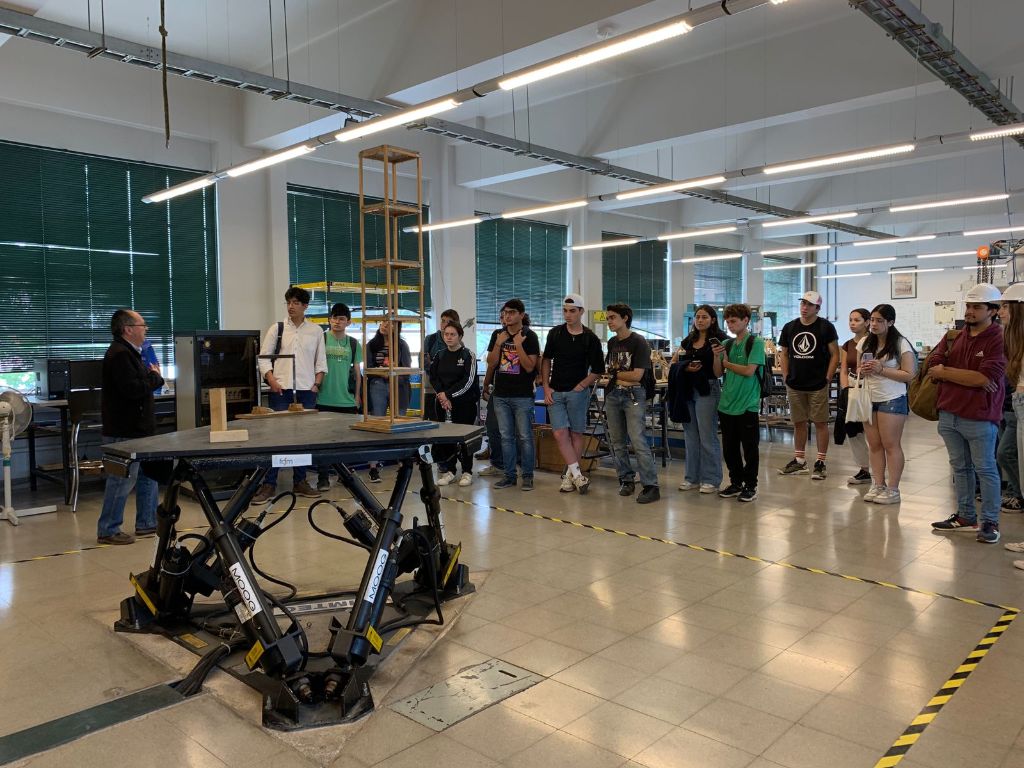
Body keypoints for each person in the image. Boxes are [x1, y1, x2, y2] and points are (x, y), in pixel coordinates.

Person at [930, 283, 1007, 543]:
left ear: (992, 310)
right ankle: (965, 516)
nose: (970, 311)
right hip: (948, 413)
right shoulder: (955, 335)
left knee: (985, 469)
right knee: (960, 468)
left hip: (980, 416)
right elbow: (933, 363)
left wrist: (946, 373)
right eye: (968, 306)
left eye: (977, 307)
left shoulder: (998, 339)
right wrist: (964, 376)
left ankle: (990, 522)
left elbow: (984, 378)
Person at [253, 287, 328, 504]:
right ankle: (269, 483)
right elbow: (263, 358)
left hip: (306, 391)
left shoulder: (315, 331)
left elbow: (321, 361)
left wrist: (316, 384)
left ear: (305, 306)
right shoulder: (276, 329)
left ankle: (300, 481)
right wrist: (272, 380)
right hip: (281, 390)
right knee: (276, 438)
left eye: (295, 303)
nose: (291, 307)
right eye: (288, 302)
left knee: (303, 439)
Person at [97, 309, 164, 544]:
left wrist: (151, 377)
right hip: (124, 431)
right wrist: (155, 377)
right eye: (142, 326)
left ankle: (147, 522)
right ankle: (108, 529)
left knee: (148, 476)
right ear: (128, 329)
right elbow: (134, 389)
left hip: (140, 429)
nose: (145, 330)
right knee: (121, 480)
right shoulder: (119, 355)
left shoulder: (132, 353)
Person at [541, 294, 605, 494]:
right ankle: (578, 475)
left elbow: (598, 369)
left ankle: (570, 477)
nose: (568, 315)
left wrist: (582, 385)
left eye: (572, 311)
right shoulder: (555, 334)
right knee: (560, 433)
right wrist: (546, 386)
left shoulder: (590, 338)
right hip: (556, 392)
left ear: (581, 312)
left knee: (576, 433)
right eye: (565, 311)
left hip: (577, 393)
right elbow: (546, 359)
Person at [857, 304, 916, 504]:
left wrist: (881, 369)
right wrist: (864, 369)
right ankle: (878, 484)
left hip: (892, 398)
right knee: (874, 445)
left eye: (879, 320)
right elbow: (858, 369)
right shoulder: (865, 342)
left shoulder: (901, 343)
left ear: (890, 322)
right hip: (868, 398)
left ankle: (893, 489)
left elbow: (909, 374)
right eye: (872, 320)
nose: (874, 324)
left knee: (891, 444)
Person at [778, 290, 839, 480]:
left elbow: (835, 354)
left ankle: (820, 462)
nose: (804, 307)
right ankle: (799, 460)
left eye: (809, 305)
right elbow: (784, 353)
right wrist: (786, 375)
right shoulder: (790, 327)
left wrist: (827, 378)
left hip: (818, 384)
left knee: (820, 423)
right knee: (799, 422)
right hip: (795, 383)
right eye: (803, 303)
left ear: (817, 308)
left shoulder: (825, 327)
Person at [604, 303, 660, 504]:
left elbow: (637, 376)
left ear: (625, 318)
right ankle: (626, 479)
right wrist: (618, 376)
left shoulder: (638, 342)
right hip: (613, 395)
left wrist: (616, 375)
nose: (609, 321)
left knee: (638, 440)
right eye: (608, 318)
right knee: (617, 441)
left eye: (612, 317)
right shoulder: (612, 342)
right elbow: (610, 371)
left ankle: (651, 485)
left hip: (633, 395)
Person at [671, 304, 727, 494]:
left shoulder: (719, 340)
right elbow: (674, 362)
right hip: (688, 389)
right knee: (690, 436)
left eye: (704, 317)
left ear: (713, 320)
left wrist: (715, 359)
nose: (700, 320)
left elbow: (719, 372)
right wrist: (685, 367)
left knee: (707, 436)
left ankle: (711, 479)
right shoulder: (689, 340)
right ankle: (692, 478)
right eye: (697, 317)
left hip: (707, 389)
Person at [713, 304, 765, 503]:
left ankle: (750, 485)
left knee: (750, 448)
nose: (730, 325)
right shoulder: (726, 343)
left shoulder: (755, 342)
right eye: (727, 321)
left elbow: (749, 371)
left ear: (746, 320)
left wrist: (727, 364)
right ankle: (735, 482)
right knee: (729, 448)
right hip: (727, 403)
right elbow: (718, 372)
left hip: (747, 404)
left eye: (733, 321)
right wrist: (716, 356)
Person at [486, 299, 540, 491]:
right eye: (505, 312)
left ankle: (527, 476)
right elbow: (491, 363)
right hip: (501, 394)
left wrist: (518, 346)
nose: (507, 316)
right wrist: (498, 344)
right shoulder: (497, 334)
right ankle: (509, 476)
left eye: (512, 312)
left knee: (524, 436)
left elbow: (529, 366)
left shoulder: (529, 336)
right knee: (505, 437)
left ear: (521, 315)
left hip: (522, 395)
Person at [315, 303, 363, 491]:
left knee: (346, 441)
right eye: (334, 318)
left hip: (346, 400)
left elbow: (357, 373)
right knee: (323, 441)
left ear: (348, 322)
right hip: (323, 399)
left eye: (341, 318)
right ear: (329, 320)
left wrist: (357, 396)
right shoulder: (321, 338)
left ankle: (346, 476)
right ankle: (323, 478)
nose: (337, 321)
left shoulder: (353, 343)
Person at [428, 320, 479, 487]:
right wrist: (442, 396)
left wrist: (449, 395)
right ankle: (449, 471)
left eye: (453, 334)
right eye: (446, 334)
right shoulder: (439, 355)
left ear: (460, 336)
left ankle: (467, 472)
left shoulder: (468, 355)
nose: (449, 337)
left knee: (464, 438)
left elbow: (468, 381)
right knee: (447, 438)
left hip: (464, 403)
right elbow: (433, 377)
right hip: (443, 403)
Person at [365, 318, 412, 482]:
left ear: (397, 326)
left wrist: (393, 371)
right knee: (376, 425)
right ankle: (373, 467)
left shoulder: (402, 345)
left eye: (389, 322)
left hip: (398, 386)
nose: (385, 325)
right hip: (377, 385)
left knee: (399, 425)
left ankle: (402, 465)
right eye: (383, 322)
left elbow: (407, 369)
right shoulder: (371, 345)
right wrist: (381, 371)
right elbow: (367, 368)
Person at [996, 286, 1024, 516]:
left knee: (1006, 453)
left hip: (1018, 403)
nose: (1000, 312)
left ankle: (1019, 495)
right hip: (1010, 403)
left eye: (1005, 306)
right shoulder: (1010, 338)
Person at [838, 309, 872, 485]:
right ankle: (864, 469)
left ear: (867, 322)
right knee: (852, 428)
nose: (852, 323)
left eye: (857, 320)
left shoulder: (873, 342)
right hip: (852, 386)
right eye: (850, 320)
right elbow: (844, 369)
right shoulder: (847, 345)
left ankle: (878, 468)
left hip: (869, 387)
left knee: (870, 428)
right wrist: (845, 389)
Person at [423, 309, 459, 421]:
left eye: (449, 322)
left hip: (450, 391)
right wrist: (439, 369)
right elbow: (423, 362)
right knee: (432, 422)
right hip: (431, 389)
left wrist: (434, 364)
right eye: (443, 321)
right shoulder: (430, 339)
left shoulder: (459, 343)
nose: (445, 324)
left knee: (451, 423)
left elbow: (457, 368)